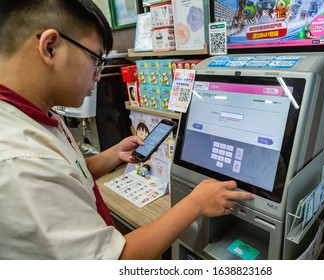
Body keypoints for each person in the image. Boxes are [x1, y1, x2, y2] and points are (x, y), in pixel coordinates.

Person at [0, 0, 254, 260]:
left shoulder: (35, 112)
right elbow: (116, 262)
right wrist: (195, 203)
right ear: (50, 47)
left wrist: (112, 156)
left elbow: (66, 174)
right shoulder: (21, 160)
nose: (98, 75)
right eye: (95, 59)